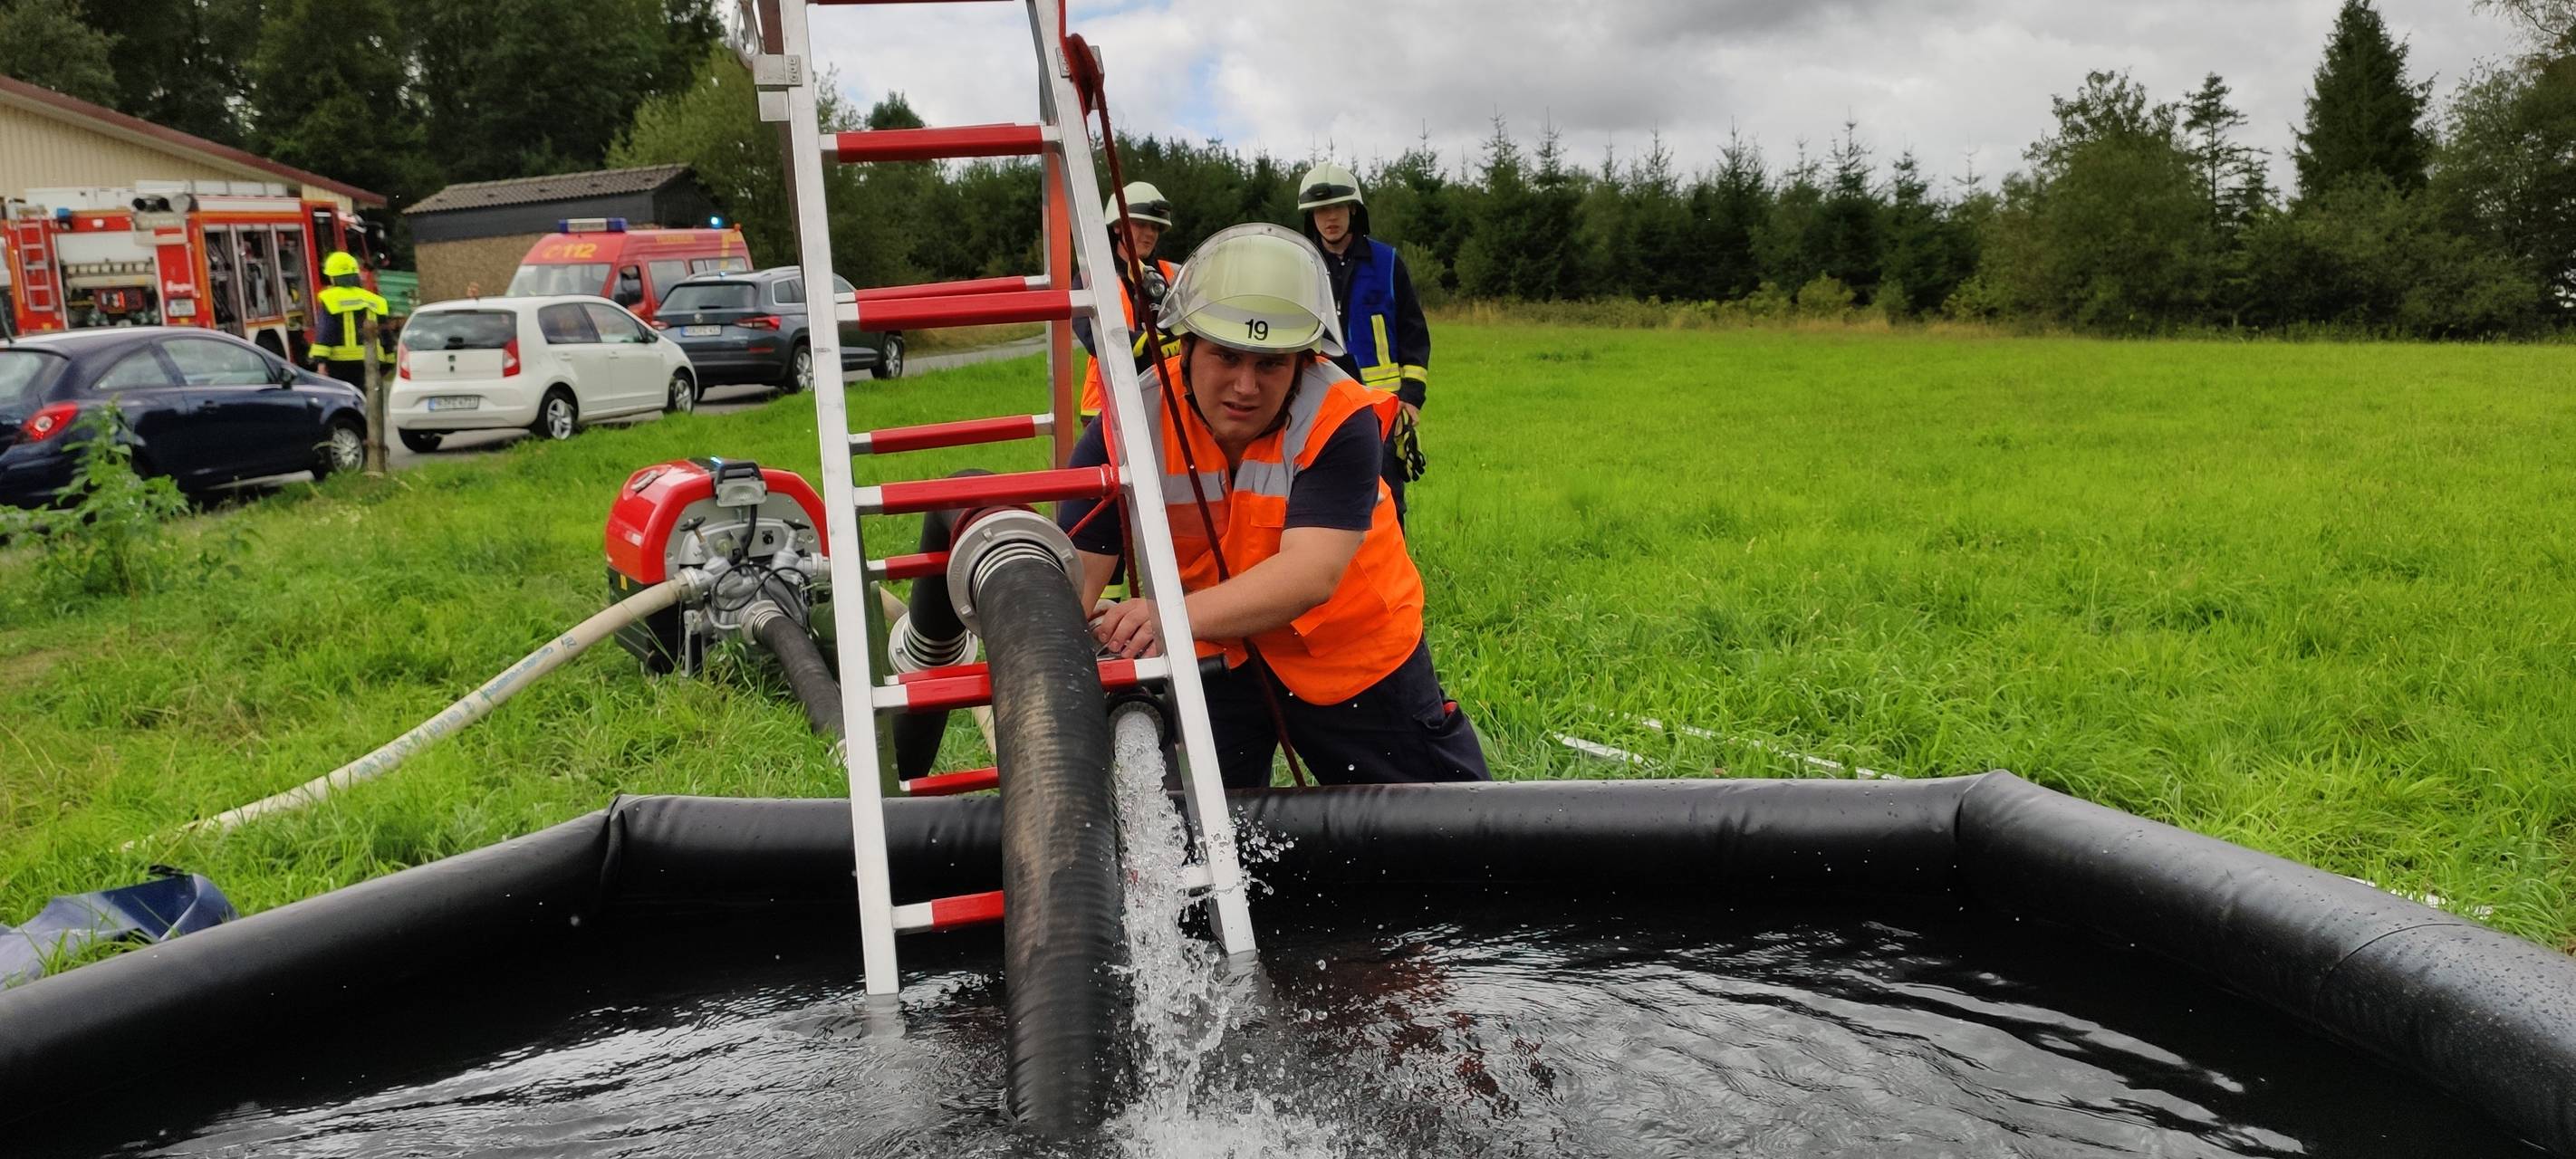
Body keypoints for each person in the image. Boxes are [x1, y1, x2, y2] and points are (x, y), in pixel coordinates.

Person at [1056, 223, 1489, 790]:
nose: (1245, 386)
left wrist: (1168, 618)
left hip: (1352, 654)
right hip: (1217, 654)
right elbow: (1073, 586)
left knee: (1448, 836)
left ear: (1304, 360)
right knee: (1209, 844)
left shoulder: (1341, 417)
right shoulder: (1125, 427)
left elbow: (1311, 573)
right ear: (1184, 347)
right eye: (1226, 356)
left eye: (1270, 363)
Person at [1295, 163, 1431, 522]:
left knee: (1386, 501)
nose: (1330, 218)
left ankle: (1392, 576)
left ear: (1353, 210)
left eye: (1337, 208)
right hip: (1318, 403)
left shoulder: (1387, 263)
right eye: (1321, 211)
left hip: (1381, 406)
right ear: (1312, 217)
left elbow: (1413, 331)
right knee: (1322, 500)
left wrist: (1411, 397)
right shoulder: (1301, 267)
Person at [1075, 181, 1183, 421]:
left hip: (1166, 397)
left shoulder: (1173, 274)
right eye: (1141, 224)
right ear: (1117, 227)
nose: (1150, 234)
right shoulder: (1093, 277)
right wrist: (1146, 344)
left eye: (1155, 227)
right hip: (1108, 406)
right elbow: (1093, 335)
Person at [309, 251, 394, 388]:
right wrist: (389, 360)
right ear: (356, 275)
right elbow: (385, 333)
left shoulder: (330, 298)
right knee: (369, 400)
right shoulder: (376, 300)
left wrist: (320, 362)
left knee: (345, 401)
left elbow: (326, 332)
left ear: (332, 277)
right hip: (371, 360)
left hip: (340, 364)